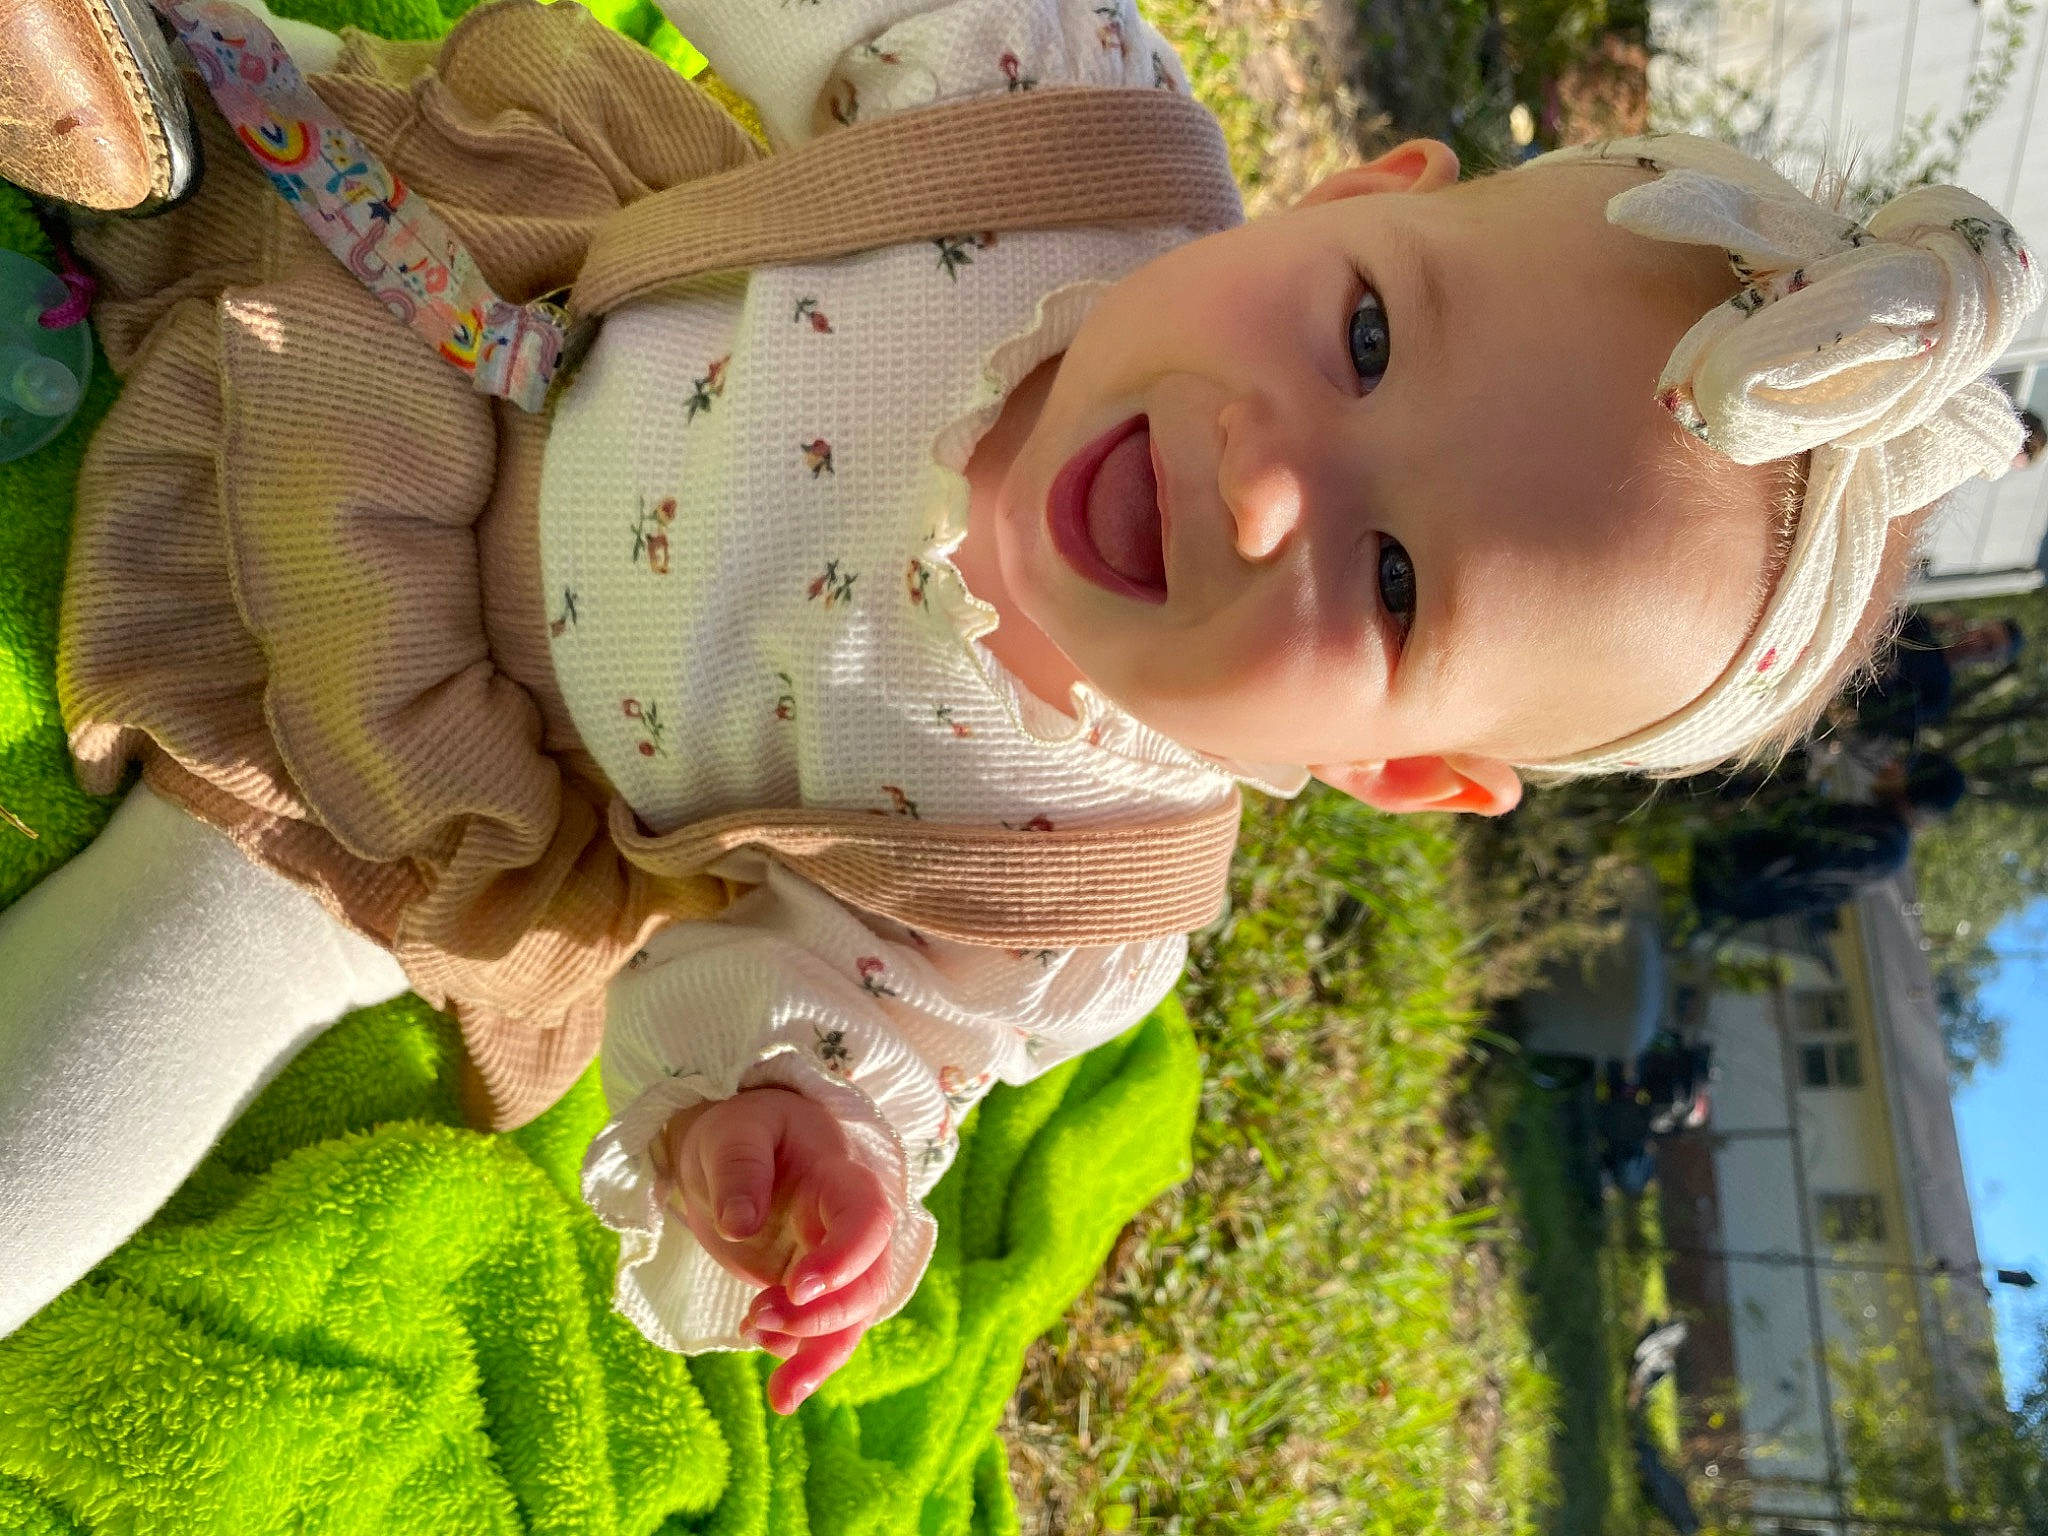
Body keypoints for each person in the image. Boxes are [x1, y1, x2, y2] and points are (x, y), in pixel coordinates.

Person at [0, 0, 2039, 1417]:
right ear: (1350, 197)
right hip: (459, 270)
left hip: (409, 763)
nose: (1264, 479)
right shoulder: (1060, 137)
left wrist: (776, 1133)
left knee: (170, 1011)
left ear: (1394, 772)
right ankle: (142, 114)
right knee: (238, 96)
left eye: (1395, 578)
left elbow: (763, 994)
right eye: (1358, 334)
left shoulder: (1068, 891)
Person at [1688, 751, 1967, 928]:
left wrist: (1792, 778)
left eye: (1903, 765)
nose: (1890, 764)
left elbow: (1802, 844)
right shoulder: (1885, 834)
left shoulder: (1885, 845)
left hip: (1721, 877)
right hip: (1724, 876)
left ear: (1914, 785)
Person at [1852, 610, 2024, 740]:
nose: (1977, 643)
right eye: (1983, 634)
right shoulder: (1924, 629)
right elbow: (1878, 614)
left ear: (1991, 662)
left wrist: (1884, 682)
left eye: (1988, 647)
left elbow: (1882, 722)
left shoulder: (1938, 696)